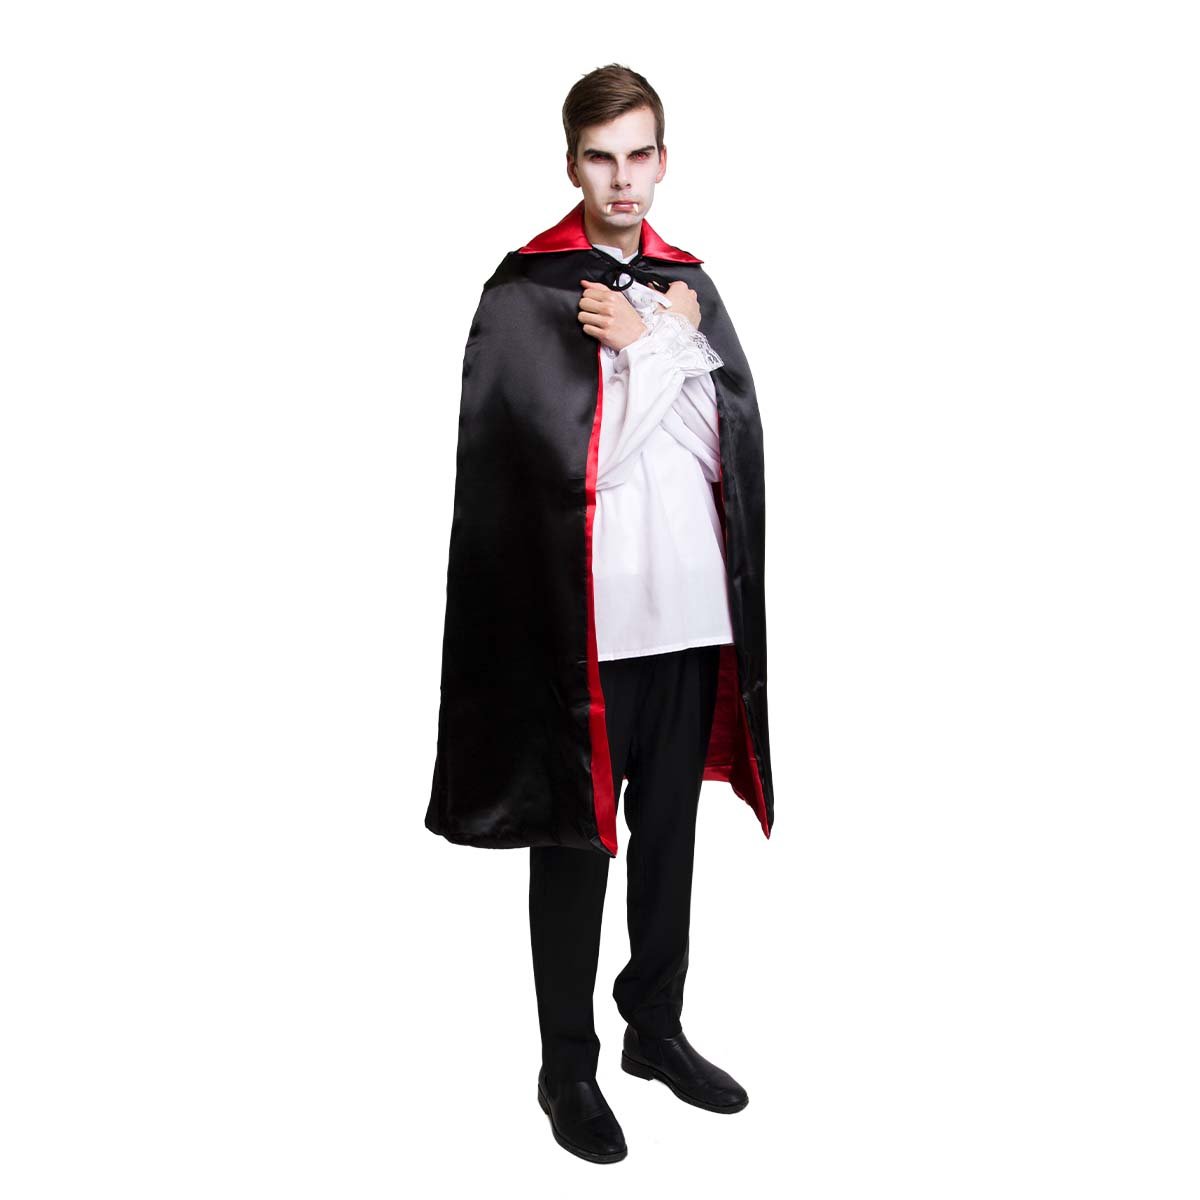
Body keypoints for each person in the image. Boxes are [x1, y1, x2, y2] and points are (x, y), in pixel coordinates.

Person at [425, 64, 774, 1165]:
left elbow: (721, 448)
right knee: (577, 847)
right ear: (571, 163)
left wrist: (655, 337)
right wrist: (657, 347)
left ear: (663, 159)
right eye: (600, 158)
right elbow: (592, 464)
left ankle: (654, 1030)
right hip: (589, 628)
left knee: (670, 841)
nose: (623, 180)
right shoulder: (529, 290)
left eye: (640, 155)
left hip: (690, 618)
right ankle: (566, 1067)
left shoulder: (688, 284)